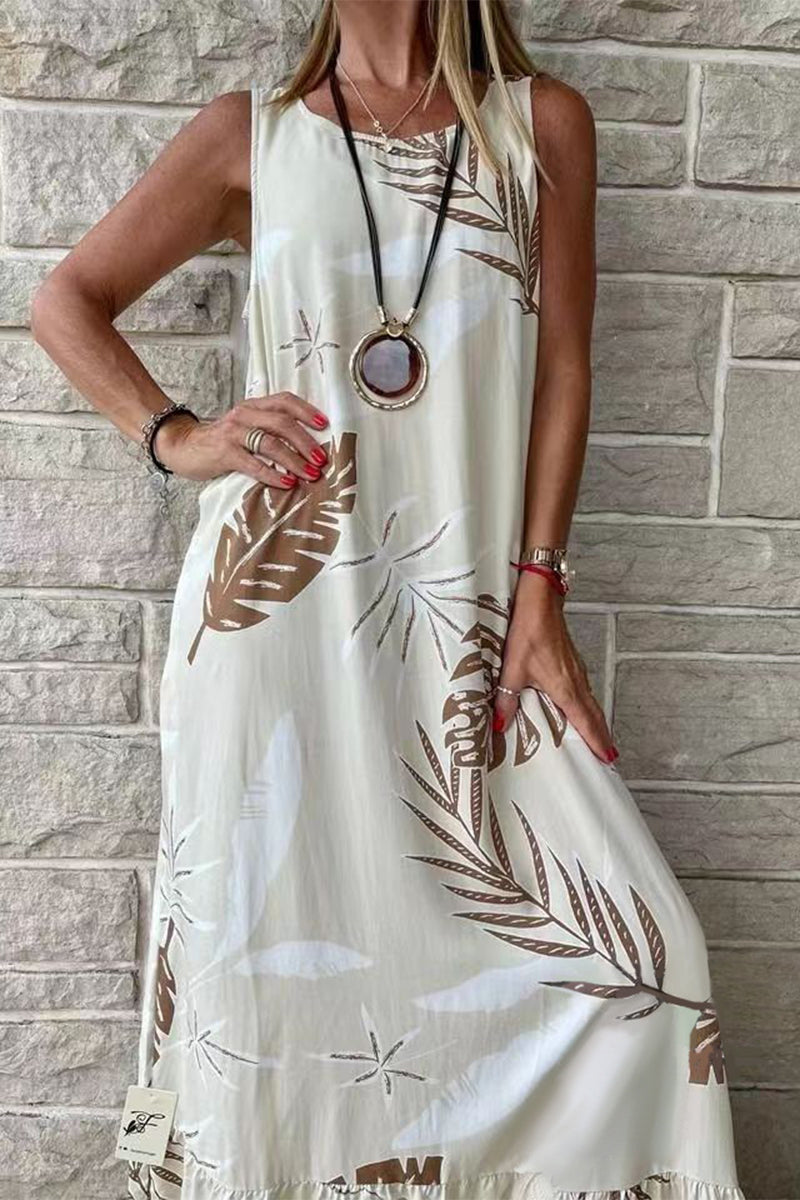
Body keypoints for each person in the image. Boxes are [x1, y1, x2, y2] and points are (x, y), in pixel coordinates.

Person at [31, 1, 745, 1197]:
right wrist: (180, 436)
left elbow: (563, 365)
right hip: (273, 630)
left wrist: (539, 589)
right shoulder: (249, 137)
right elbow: (67, 300)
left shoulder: (539, 126)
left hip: (467, 625)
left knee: (654, 964)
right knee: (270, 972)